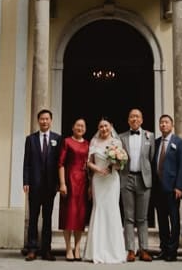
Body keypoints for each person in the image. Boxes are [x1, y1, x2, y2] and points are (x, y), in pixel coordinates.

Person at [85, 117, 128, 264]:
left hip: (111, 180)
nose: (103, 129)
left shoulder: (116, 142)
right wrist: (98, 169)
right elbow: (88, 162)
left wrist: (113, 165)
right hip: (98, 180)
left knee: (112, 210)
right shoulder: (94, 142)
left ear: (111, 126)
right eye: (101, 127)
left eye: (106, 126)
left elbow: (121, 163)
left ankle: (114, 251)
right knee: (99, 209)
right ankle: (96, 250)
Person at [23, 109, 62, 261]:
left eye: (47, 119)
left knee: (47, 219)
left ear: (51, 121)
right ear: (38, 120)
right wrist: (26, 181)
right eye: (42, 119)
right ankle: (32, 249)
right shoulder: (30, 139)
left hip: (50, 186)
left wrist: (58, 183)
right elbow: (27, 163)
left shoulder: (57, 138)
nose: (44, 121)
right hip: (34, 185)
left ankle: (46, 250)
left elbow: (59, 163)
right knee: (33, 218)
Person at [118, 108, 153, 262]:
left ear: (142, 120)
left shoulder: (149, 136)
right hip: (127, 178)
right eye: (132, 116)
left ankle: (143, 249)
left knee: (143, 217)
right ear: (128, 120)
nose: (134, 119)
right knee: (128, 217)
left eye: (137, 116)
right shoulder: (121, 137)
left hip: (144, 179)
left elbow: (151, 158)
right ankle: (130, 250)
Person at [151, 114, 182, 262]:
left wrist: (179, 186)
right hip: (158, 188)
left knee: (174, 220)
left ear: (172, 125)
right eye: (161, 123)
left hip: (172, 189)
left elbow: (181, 166)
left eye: (166, 122)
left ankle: (172, 251)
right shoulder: (156, 142)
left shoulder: (179, 142)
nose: (163, 125)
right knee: (162, 221)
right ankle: (164, 249)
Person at [58, 118, 91, 261]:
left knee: (80, 216)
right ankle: (68, 248)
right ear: (72, 127)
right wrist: (62, 183)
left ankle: (77, 247)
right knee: (68, 215)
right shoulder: (67, 142)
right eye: (78, 125)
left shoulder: (88, 144)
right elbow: (61, 163)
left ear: (85, 129)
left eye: (83, 126)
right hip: (69, 180)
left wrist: (90, 185)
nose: (80, 128)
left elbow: (89, 165)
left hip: (83, 182)